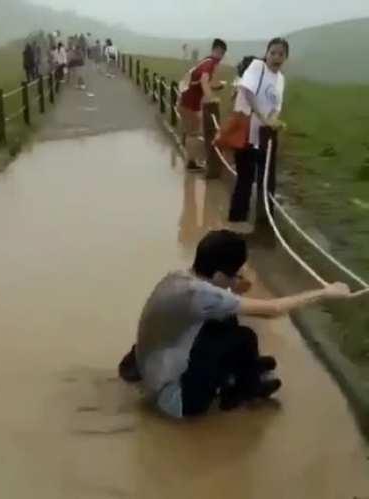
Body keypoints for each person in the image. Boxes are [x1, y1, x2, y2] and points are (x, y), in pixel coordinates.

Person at [119, 230, 351, 419]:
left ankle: (241, 369)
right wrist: (325, 293)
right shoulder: (204, 297)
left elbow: (218, 298)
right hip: (177, 402)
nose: (241, 275)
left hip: (152, 371)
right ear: (220, 275)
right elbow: (274, 310)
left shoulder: (179, 278)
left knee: (226, 320)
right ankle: (242, 387)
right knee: (244, 337)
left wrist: (232, 286)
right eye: (237, 271)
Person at [229, 38, 289, 224]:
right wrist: (263, 118)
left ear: (286, 57)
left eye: (281, 54)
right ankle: (236, 222)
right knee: (245, 179)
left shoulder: (280, 79)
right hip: (247, 131)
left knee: (265, 179)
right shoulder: (257, 67)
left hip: (264, 138)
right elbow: (247, 92)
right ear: (267, 53)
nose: (276, 57)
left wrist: (272, 119)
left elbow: (277, 105)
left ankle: (263, 223)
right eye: (273, 53)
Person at [179, 39, 227, 172]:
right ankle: (191, 163)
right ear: (217, 51)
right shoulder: (210, 63)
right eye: (221, 53)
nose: (221, 57)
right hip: (190, 103)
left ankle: (191, 160)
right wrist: (211, 99)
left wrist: (218, 86)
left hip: (186, 100)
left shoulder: (205, 61)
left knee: (190, 132)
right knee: (193, 133)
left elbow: (203, 81)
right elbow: (204, 81)